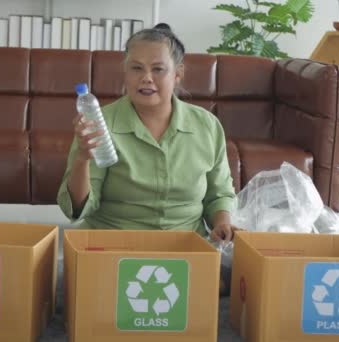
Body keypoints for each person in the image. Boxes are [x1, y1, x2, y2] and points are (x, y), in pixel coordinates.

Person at [57, 23, 236, 242]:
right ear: (125, 71)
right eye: (136, 68)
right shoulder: (99, 124)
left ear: (178, 73)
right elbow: (76, 209)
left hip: (186, 246)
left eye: (158, 69)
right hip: (111, 244)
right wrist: (81, 159)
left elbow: (220, 194)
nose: (146, 78)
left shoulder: (207, 126)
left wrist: (222, 224)